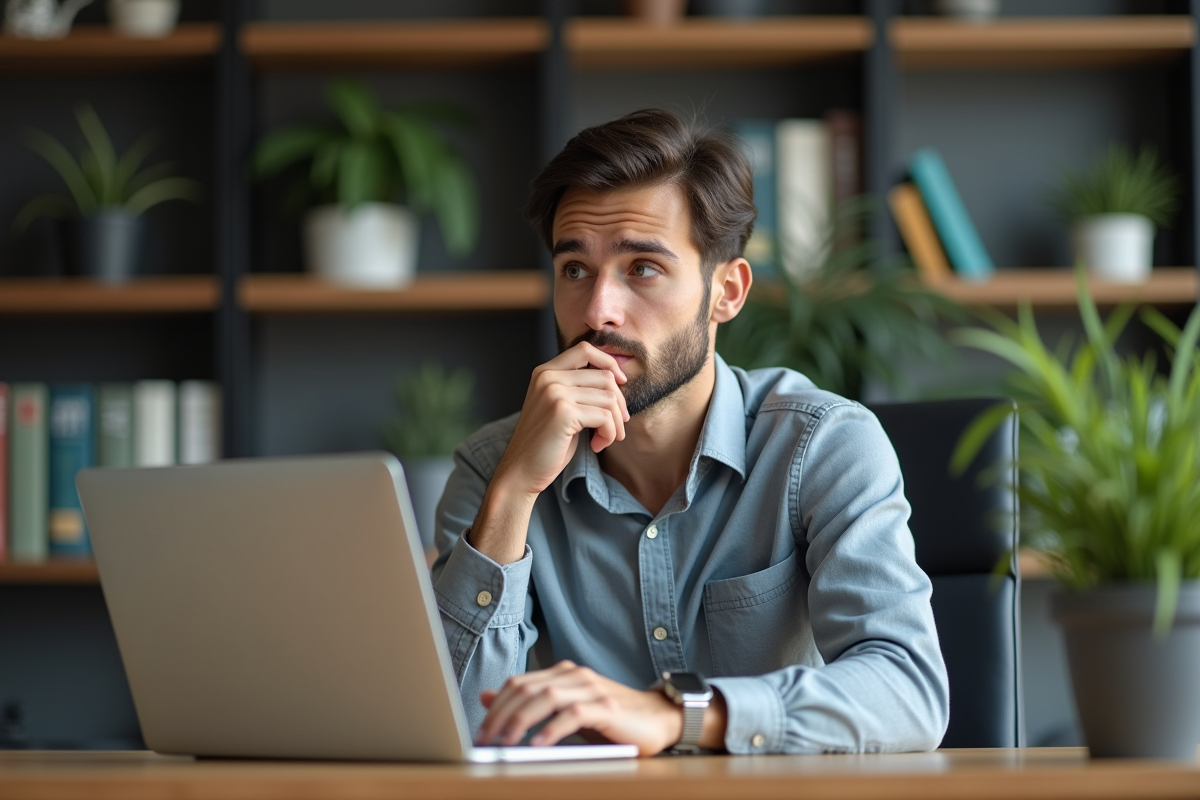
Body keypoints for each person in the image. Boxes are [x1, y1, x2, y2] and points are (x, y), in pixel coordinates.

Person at [430, 108, 949, 757]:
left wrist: (680, 716)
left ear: (725, 292)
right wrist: (510, 496)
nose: (597, 311)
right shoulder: (490, 470)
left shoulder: (822, 447)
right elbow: (449, 734)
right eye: (575, 270)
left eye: (642, 268)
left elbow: (908, 691)